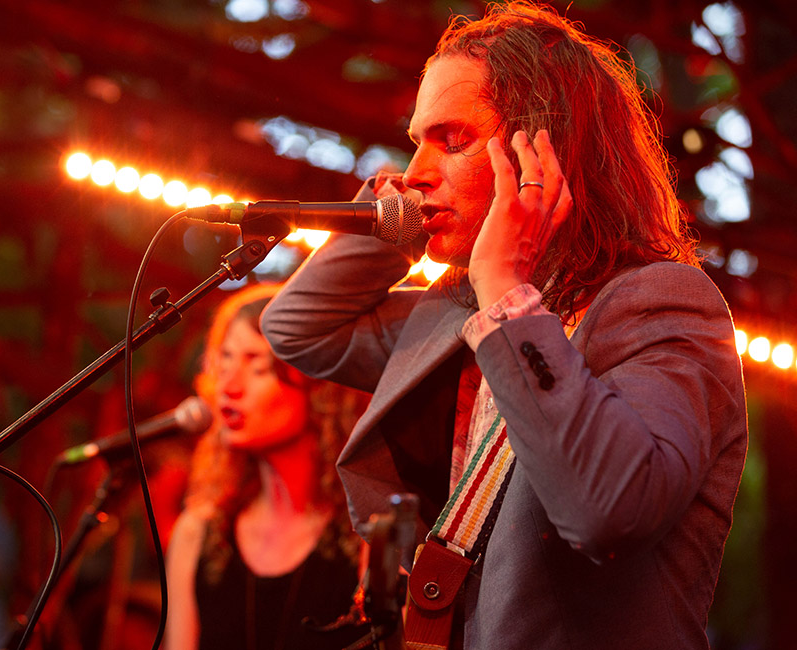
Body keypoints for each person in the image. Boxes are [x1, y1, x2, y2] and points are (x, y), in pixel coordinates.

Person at [261, 3, 748, 649]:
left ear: (540, 149)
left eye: (451, 138)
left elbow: (607, 510)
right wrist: (395, 213)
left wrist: (506, 290)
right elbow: (298, 327)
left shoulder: (663, 300)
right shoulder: (457, 312)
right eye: (414, 141)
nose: (415, 170)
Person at [164, 283, 368, 650]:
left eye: (256, 365)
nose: (228, 385)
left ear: (318, 383)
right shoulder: (198, 535)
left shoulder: (367, 542)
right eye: (223, 360)